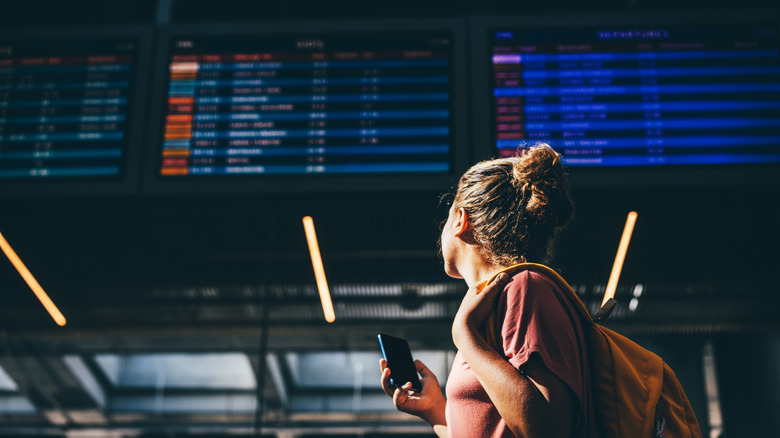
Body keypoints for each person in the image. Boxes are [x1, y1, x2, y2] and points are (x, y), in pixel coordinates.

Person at [379, 144, 596, 438]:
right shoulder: (496, 307)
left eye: (447, 216)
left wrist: (465, 336)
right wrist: (436, 412)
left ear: (460, 220)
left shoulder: (526, 288)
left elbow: (547, 430)